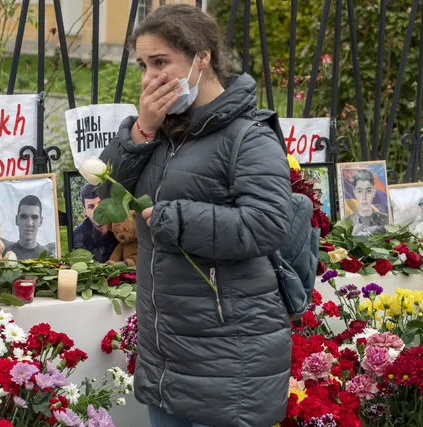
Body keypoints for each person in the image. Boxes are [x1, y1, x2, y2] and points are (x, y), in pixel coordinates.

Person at [98, 5, 292, 426]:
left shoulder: (248, 137)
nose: (150, 77)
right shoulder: (161, 131)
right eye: (143, 65)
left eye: (161, 62)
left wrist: (173, 220)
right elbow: (102, 192)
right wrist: (142, 131)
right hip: (167, 355)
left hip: (227, 360)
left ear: (202, 57)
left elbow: (266, 224)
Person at [72, 184, 119, 262]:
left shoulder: (122, 224)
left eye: (100, 203)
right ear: (85, 210)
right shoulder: (78, 236)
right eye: (91, 206)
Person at [1, 195, 56, 260]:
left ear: (40, 221)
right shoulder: (4, 255)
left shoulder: (49, 256)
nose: (29, 223)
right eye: (24, 217)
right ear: (16, 220)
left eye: (34, 217)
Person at [347, 169, 388, 236]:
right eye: (360, 191)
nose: (364, 197)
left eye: (368, 191)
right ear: (354, 192)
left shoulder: (385, 221)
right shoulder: (348, 222)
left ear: (374, 191)